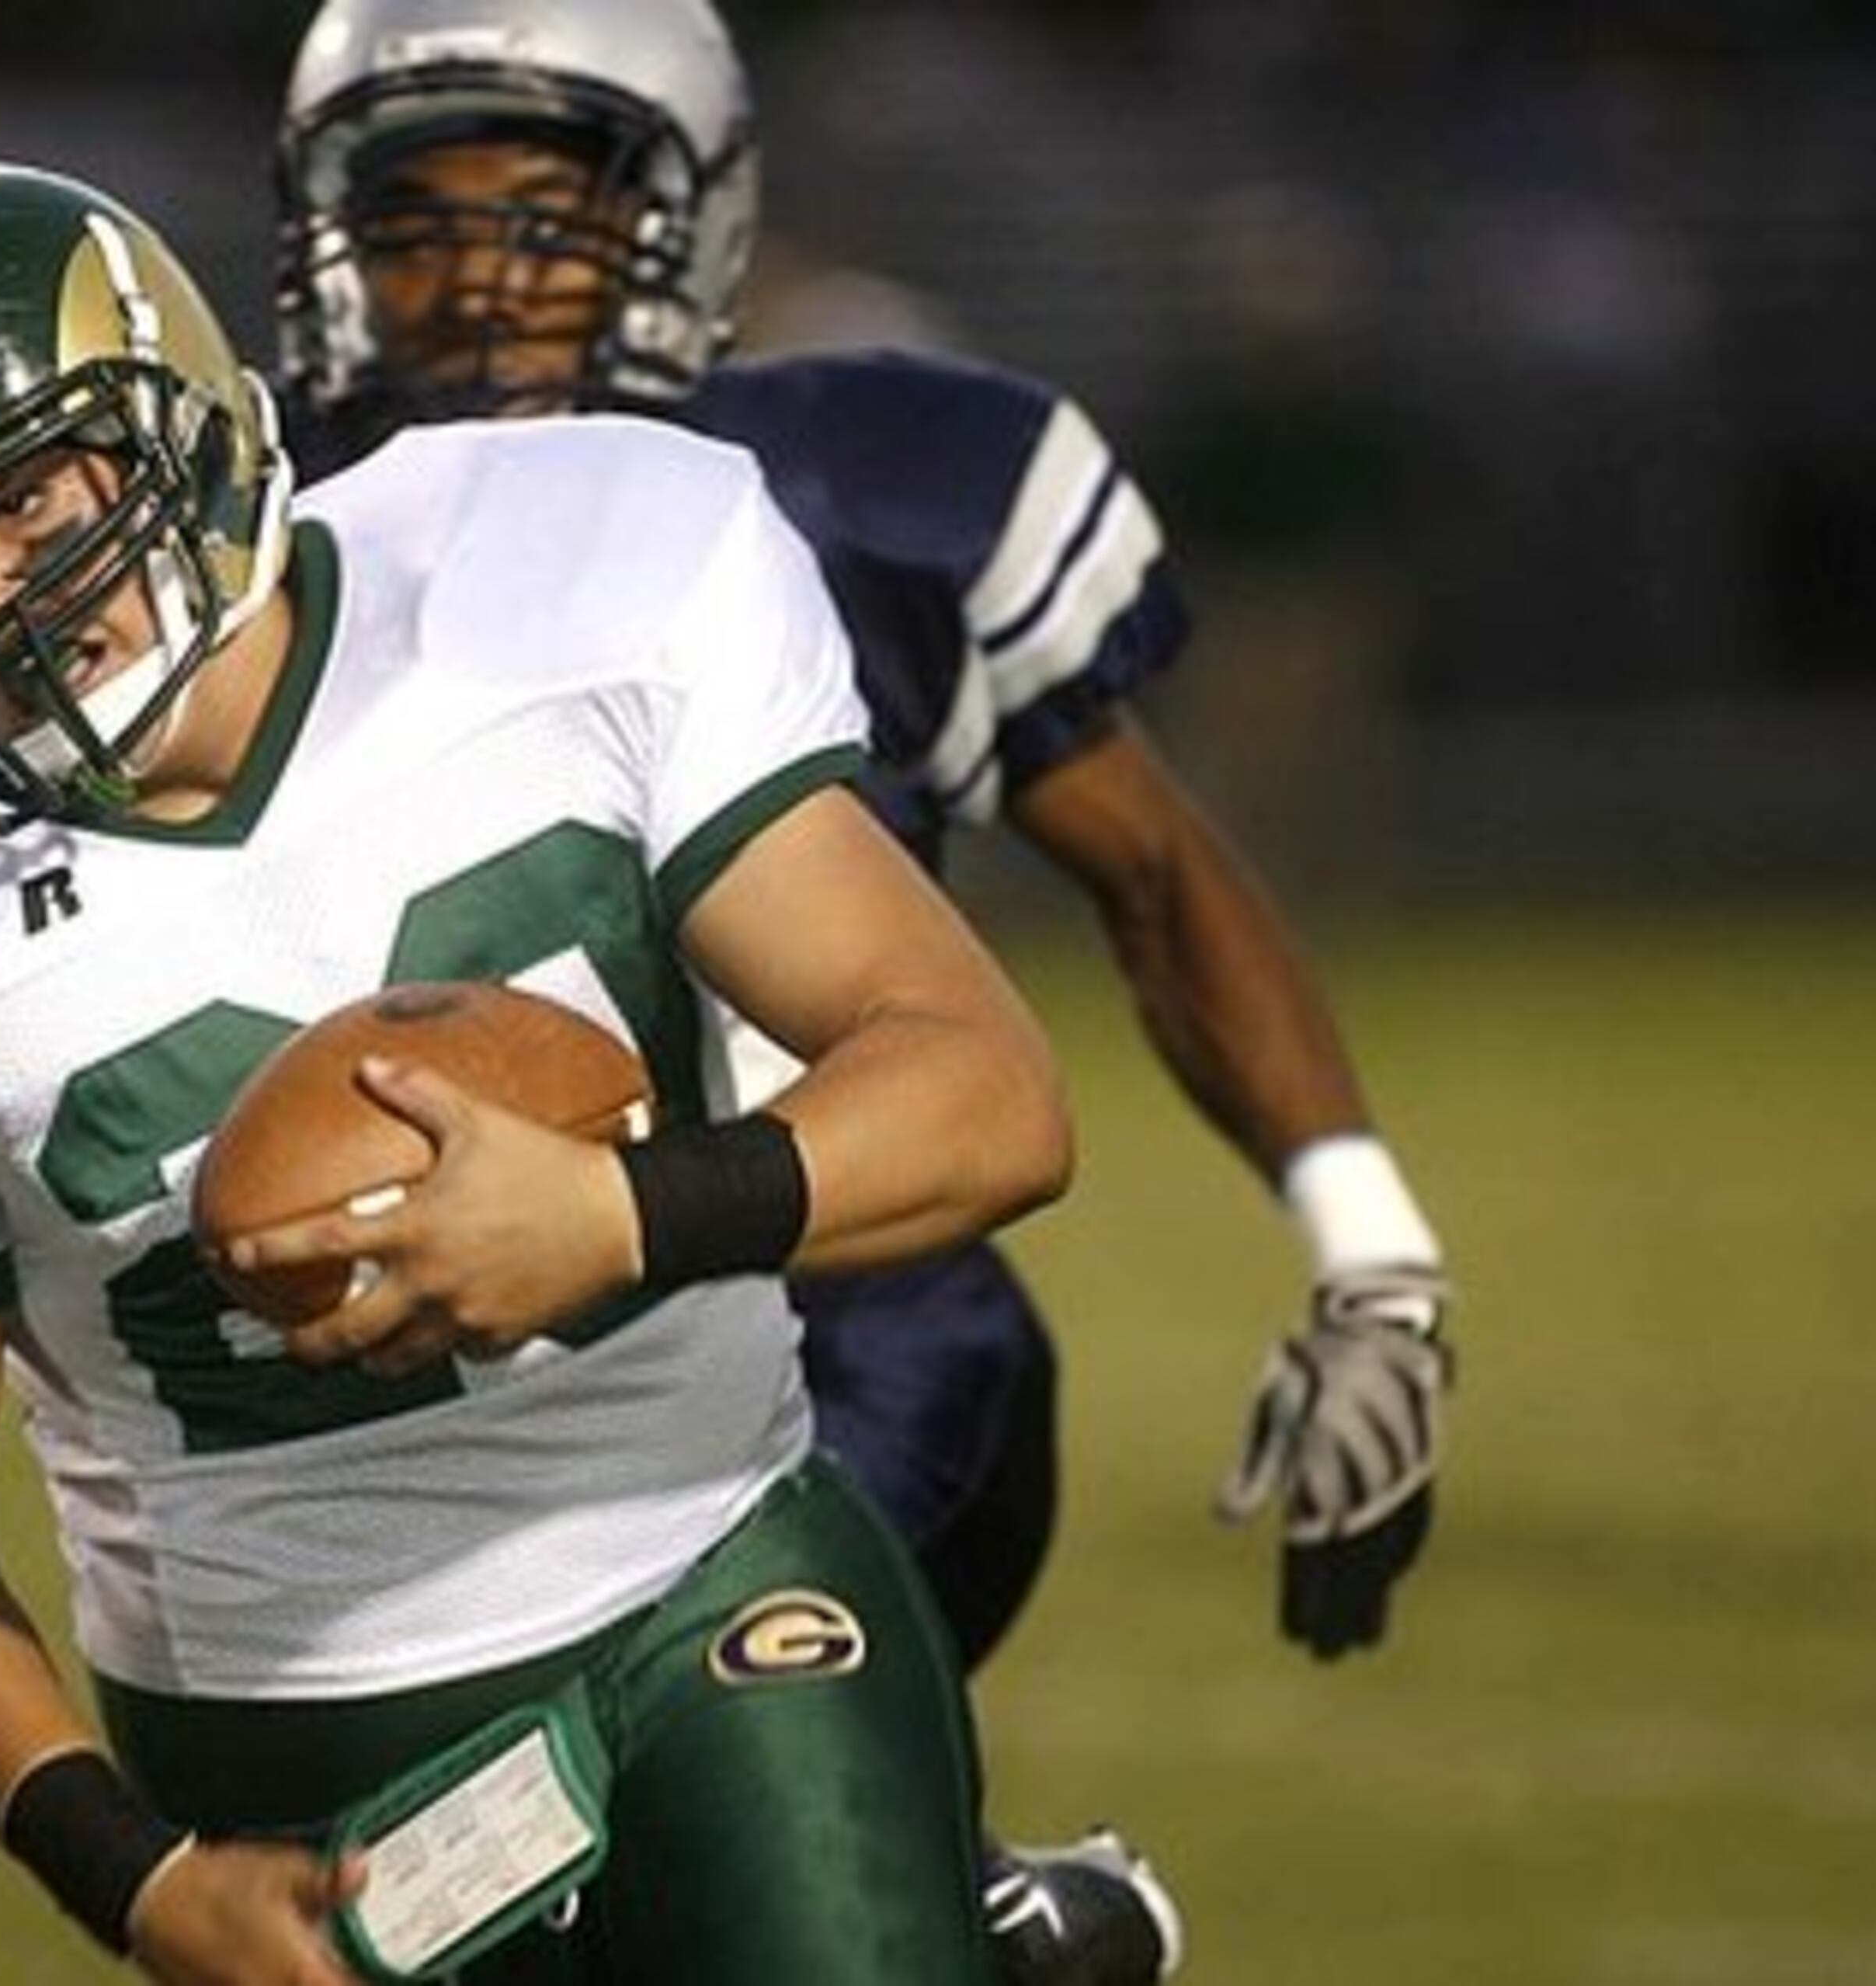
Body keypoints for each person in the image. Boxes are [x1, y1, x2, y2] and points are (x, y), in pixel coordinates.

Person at [0, 160, 1075, 1984]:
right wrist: (131, 1878)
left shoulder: (569, 577)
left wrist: (617, 1215)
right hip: (291, 1736)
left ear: (184, 425)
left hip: (715, 1569)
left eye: (27, 499)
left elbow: (988, 1091)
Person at [273, 2, 1457, 1977]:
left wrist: (1378, 1264)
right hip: (445, 1396)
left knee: (502, 1886)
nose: (480, 277)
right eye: (417, 220)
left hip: (847, 1350)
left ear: (689, 222)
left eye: (549, 218)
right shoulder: (247, 551)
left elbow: (1156, 879)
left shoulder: (867, 499)